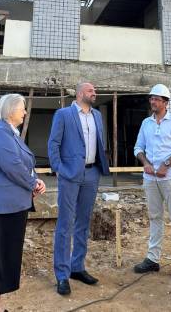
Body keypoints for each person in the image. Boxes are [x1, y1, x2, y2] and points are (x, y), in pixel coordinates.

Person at [0, 93, 46, 312]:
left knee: (0, 265)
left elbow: (24, 165)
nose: (25, 112)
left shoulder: (10, 134)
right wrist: (32, 183)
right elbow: (13, 167)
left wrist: (35, 180)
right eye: (22, 108)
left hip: (9, 208)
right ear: (11, 110)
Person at [47, 81, 111, 296]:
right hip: (70, 174)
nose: (95, 93)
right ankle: (62, 275)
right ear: (81, 93)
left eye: (95, 90)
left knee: (83, 222)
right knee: (65, 223)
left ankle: (77, 267)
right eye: (92, 90)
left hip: (92, 174)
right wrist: (58, 168)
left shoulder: (97, 116)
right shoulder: (63, 114)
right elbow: (53, 143)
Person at [132, 84, 171, 288]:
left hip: (170, 178)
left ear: (166, 103)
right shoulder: (146, 123)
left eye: (157, 99)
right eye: (151, 99)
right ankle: (153, 259)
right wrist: (146, 164)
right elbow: (138, 147)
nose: (153, 102)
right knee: (155, 217)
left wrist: (166, 165)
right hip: (150, 179)